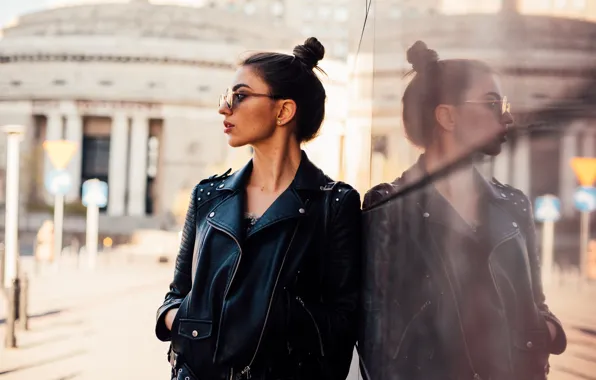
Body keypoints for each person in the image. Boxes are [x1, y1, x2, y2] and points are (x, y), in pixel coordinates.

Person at [155, 37, 361, 380]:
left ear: (284, 111)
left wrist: (265, 314)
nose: (225, 108)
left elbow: (343, 326)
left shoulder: (333, 204)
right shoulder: (208, 196)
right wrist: (188, 319)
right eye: (227, 97)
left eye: (240, 96)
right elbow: (175, 297)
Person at [359, 41, 566, 380]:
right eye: (492, 103)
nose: (507, 116)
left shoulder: (513, 204)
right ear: (447, 116)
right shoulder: (387, 207)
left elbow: (536, 305)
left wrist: (549, 333)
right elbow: (376, 338)